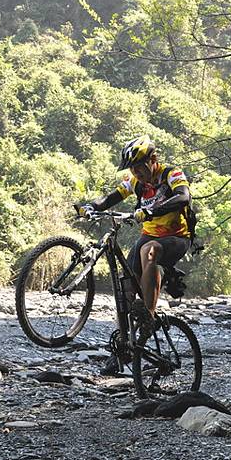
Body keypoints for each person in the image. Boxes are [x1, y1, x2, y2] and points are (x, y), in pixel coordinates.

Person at [79, 135, 192, 375]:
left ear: (153, 159)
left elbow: (183, 197)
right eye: (133, 168)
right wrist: (91, 207)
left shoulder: (171, 174)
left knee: (149, 251)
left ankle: (149, 315)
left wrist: (152, 209)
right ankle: (122, 350)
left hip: (176, 238)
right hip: (148, 236)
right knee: (124, 291)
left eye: (140, 166)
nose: (137, 172)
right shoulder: (135, 181)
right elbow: (112, 197)